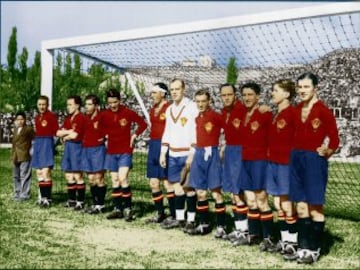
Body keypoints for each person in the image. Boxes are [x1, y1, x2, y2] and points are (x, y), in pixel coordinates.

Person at [285, 72, 339, 264]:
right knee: (300, 206)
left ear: (315, 88)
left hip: (314, 160)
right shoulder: (296, 109)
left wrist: (327, 150)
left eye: (306, 87)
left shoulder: (323, 110)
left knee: (315, 206)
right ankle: (303, 247)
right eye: (299, 87)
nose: (302, 90)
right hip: (296, 158)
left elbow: (334, 137)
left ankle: (314, 249)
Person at [235, 82, 275, 251]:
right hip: (244, 161)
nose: (247, 98)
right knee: (250, 200)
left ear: (258, 96)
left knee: (261, 200)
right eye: (244, 95)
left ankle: (269, 238)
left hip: (260, 162)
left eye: (250, 94)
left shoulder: (265, 114)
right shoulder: (242, 113)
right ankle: (253, 234)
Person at [102, 88, 148, 221]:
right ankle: (118, 209)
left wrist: (134, 135)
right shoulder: (105, 114)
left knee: (123, 178)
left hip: (124, 151)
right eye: (110, 103)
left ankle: (128, 209)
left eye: (115, 102)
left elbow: (143, 124)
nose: (113, 105)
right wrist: (103, 136)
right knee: (115, 180)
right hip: (111, 151)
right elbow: (100, 127)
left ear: (119, 100)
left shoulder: (127, 112)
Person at [159, 78, 198, 232]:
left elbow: (196, 131)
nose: (174, 92)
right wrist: (163, 153)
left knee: (189, 188)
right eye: (172, 89)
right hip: (173, 153)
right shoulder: (169, 109)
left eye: (177, 89)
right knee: (176, 186)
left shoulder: (192, 107)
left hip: (187, 153)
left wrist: (192, 153)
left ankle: (192, 220)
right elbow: (167, 132)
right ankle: (180, 219)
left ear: (184, 89)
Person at [186, 89, 226, 238]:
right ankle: (204, 224)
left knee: (216, 193)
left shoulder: (216, 117)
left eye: (203, 101)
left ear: (209, 101)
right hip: (199, 153)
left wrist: (223, 148)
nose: (201, 104)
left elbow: (228, 131)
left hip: (213, 154)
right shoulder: (196, 118)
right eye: (198, 101)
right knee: (200, 192)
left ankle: (221, 226)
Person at [266, 79, 298, 254]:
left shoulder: (293, 113)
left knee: (287, 204)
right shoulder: (275, 114)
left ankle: (292, 242)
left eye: (276, 90)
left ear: (286, 94)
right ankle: (284, 240)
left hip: (286, 164)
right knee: (278, 203)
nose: (272, 93)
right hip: (273, 163)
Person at [218, 83, 249, 243]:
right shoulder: (223, 112)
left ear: (235, 95)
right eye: (223, 95)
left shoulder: (243, 110)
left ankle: (245, 230)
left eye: (229, 94)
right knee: (232, 193)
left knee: (239, 193)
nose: (226, 98)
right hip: (230, 151)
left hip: (241, 152)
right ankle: (239, 229)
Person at [145, 83, 173, 224]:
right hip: (154, 146)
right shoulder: (152, 109)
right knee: (153, 182)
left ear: (162, 93)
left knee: (167, 182)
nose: (152, 95)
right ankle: (160, 213)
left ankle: (174, 215)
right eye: (152, 92)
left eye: (155, 92)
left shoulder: (170, 109)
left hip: (165, 147)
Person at [57, 95, 87, 211]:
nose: (68, 107)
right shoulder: (68, 118)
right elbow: (58, 132)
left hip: (77, 148)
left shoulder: (81, 118)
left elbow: (76, 135)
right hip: (68, 149)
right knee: (69, 175)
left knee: (77, 175)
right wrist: (68, 133)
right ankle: (71, 200)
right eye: (67, 104)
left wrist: (66, 135)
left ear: (77, 105)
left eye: (70, 104)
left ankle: (81, 201)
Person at [31, 95, 59, 208]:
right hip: (38, 144)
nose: (42, 106)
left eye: (44, 104)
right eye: (40, 104)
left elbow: (56, 132)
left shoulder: (51, 116)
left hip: (47, 143)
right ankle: (42, 198)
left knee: (46, 172)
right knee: (39, 173)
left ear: (47, 105)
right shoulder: (37, 117)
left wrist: (53, 145)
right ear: (37, 105)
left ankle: (48, 199)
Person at [82, 94, 107, 214]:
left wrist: (105, 137)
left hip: (98, 150)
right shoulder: (84, 117)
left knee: (99, 178)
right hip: (86, 150)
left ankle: (101, 205)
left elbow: (111, 130)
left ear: (96, 105)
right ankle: (95, 204)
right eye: (86, 104)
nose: (87, 107)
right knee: (91, 179)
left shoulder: (102, 117)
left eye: (89, 104)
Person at [11, 111, 35, 201]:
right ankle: (17, 192)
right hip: (15, 155)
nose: (20, 121)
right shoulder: (16, 129)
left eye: (22, 119)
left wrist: (31, 150)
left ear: (25, 120)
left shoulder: (28, 129)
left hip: (25, 155)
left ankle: (25, 194)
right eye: (18, 119)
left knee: (24, 175)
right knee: (16, 175)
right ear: (15, 120)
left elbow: (35, 139)